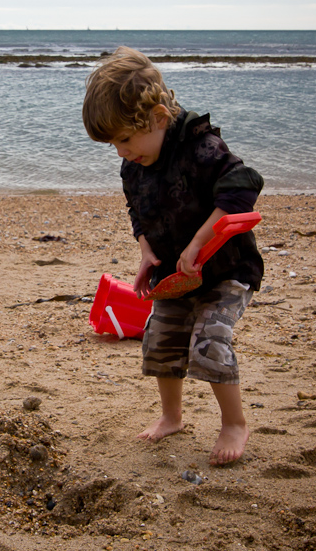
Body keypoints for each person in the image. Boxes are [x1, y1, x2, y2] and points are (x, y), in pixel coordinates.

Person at [82, 47, 264, 465]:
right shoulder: (135, 164)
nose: (121, 152)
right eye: (113, 144)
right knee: (159, 340)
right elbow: (137, 209)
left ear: (159, 118)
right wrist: (147, 251)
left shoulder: (203, 148)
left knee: (209, 339)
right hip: (176, 278)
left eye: (125, 139)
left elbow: (243, 187)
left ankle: (234, 422)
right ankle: (171, 416)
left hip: (224, 269)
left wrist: (198, 242)